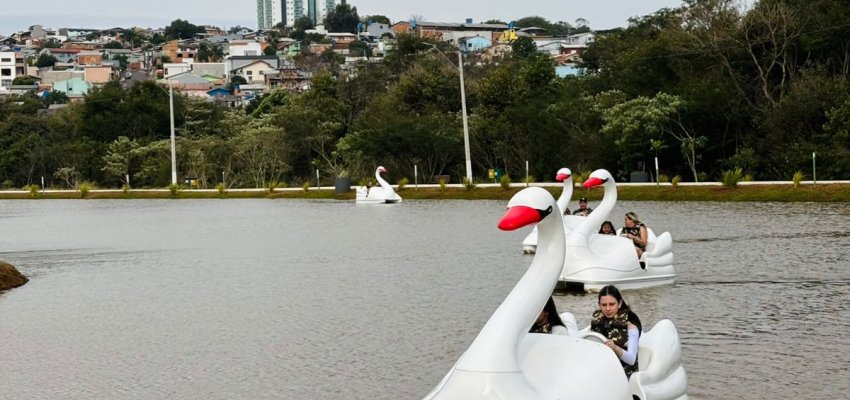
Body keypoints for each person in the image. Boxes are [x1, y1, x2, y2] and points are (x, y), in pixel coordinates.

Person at [590, 285, 642, 378]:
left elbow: (631, 359)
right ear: (599, 305)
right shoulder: (597, 321)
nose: (608, 309)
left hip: (624, 375)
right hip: (603, 371)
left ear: (620, 303)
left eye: (612, 304)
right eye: (604, 305)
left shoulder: (631, 326)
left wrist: (615, 348)